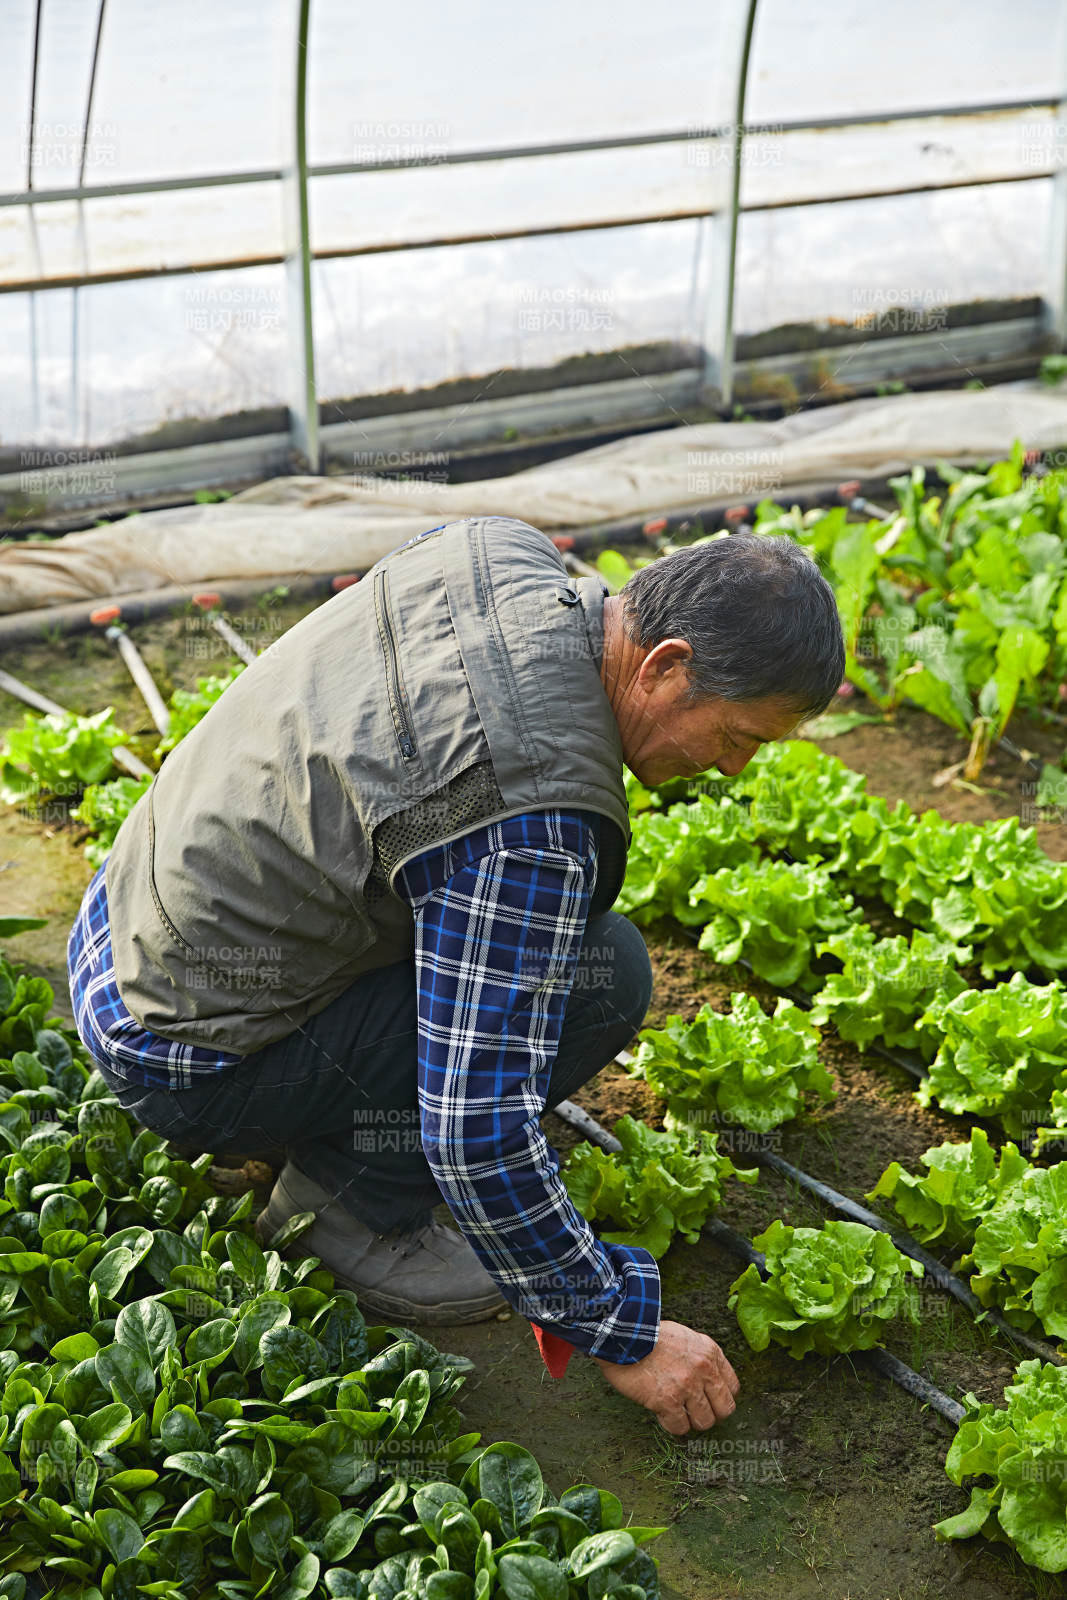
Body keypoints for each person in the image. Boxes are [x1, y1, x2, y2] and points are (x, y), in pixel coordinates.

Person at [68, 515, 844, 1437]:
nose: (731, 766)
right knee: (603, 977)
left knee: (556, 948)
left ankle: (308, 1124)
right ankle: (354, 1215)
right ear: (664, 665)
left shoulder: (493, 550)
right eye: (739, 735)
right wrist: (618, 1329)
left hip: (122, 927)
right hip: (181, 1053)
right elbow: (475, 1130)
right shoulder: (532, 816)